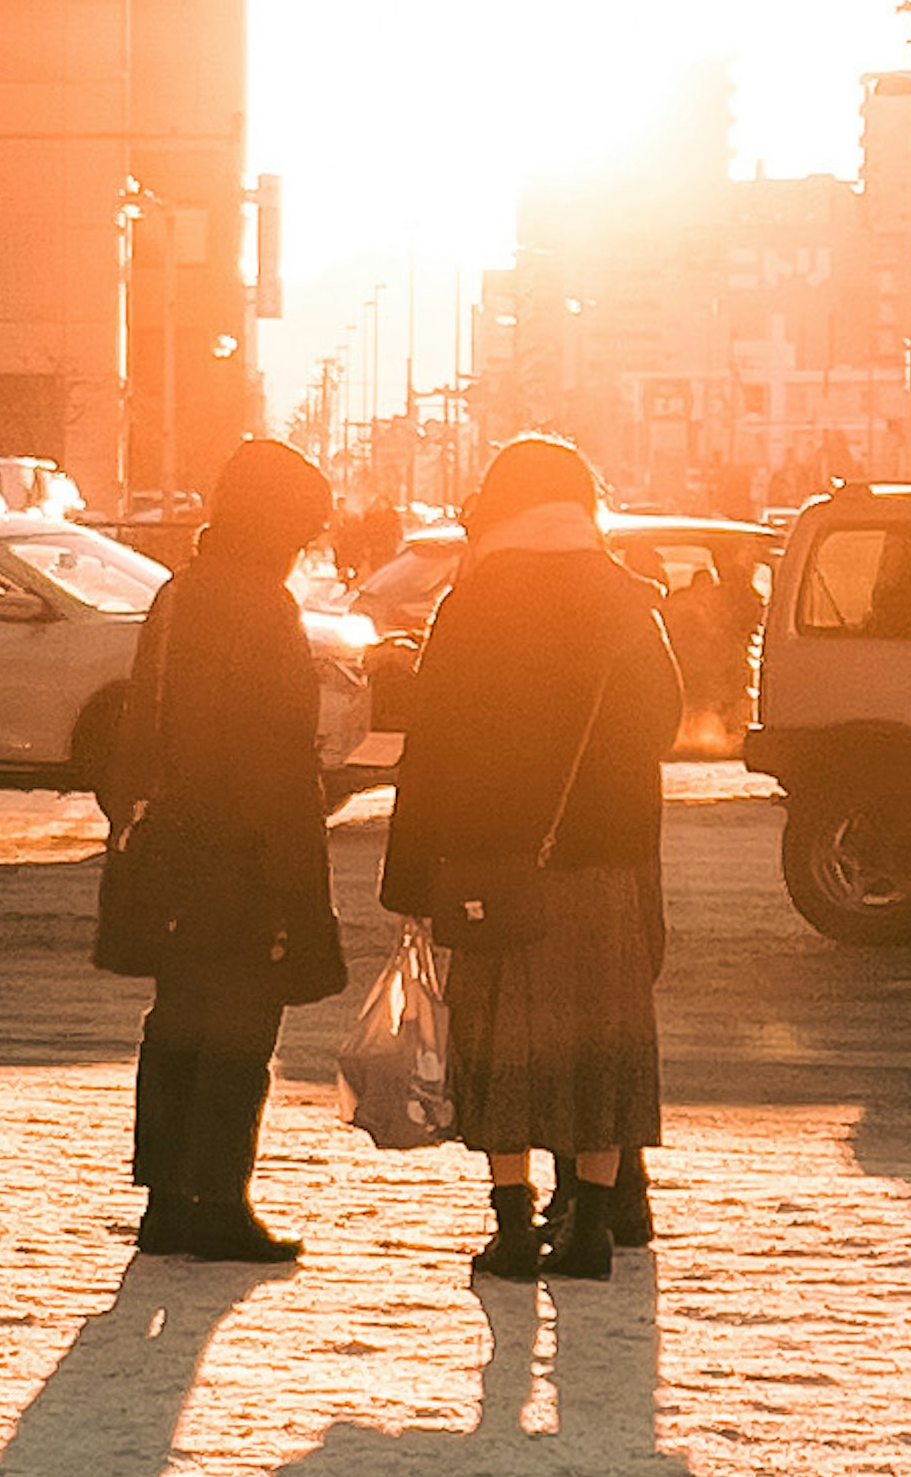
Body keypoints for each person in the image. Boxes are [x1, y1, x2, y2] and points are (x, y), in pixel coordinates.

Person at [380, 432, 680, 1281]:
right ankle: (588, 1227)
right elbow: (661, 723)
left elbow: (429, 746)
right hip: (608, 863)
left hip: (494, 865)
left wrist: (412, 880)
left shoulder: (472, 604)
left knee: (503, 1043)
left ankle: (512, 1231)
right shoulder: (625, 600)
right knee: (603, 1044)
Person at [93, 431, 345, 1264]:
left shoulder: (182, 592)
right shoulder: (260, 607)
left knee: (179, 1021)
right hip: (241, 853)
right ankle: (219, 1199)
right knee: (240, 1028)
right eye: (302, 533)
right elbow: (271, 758)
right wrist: (298, 882)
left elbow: (138, 727)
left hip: (173, 847)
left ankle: (167, 1197)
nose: (304, 549)